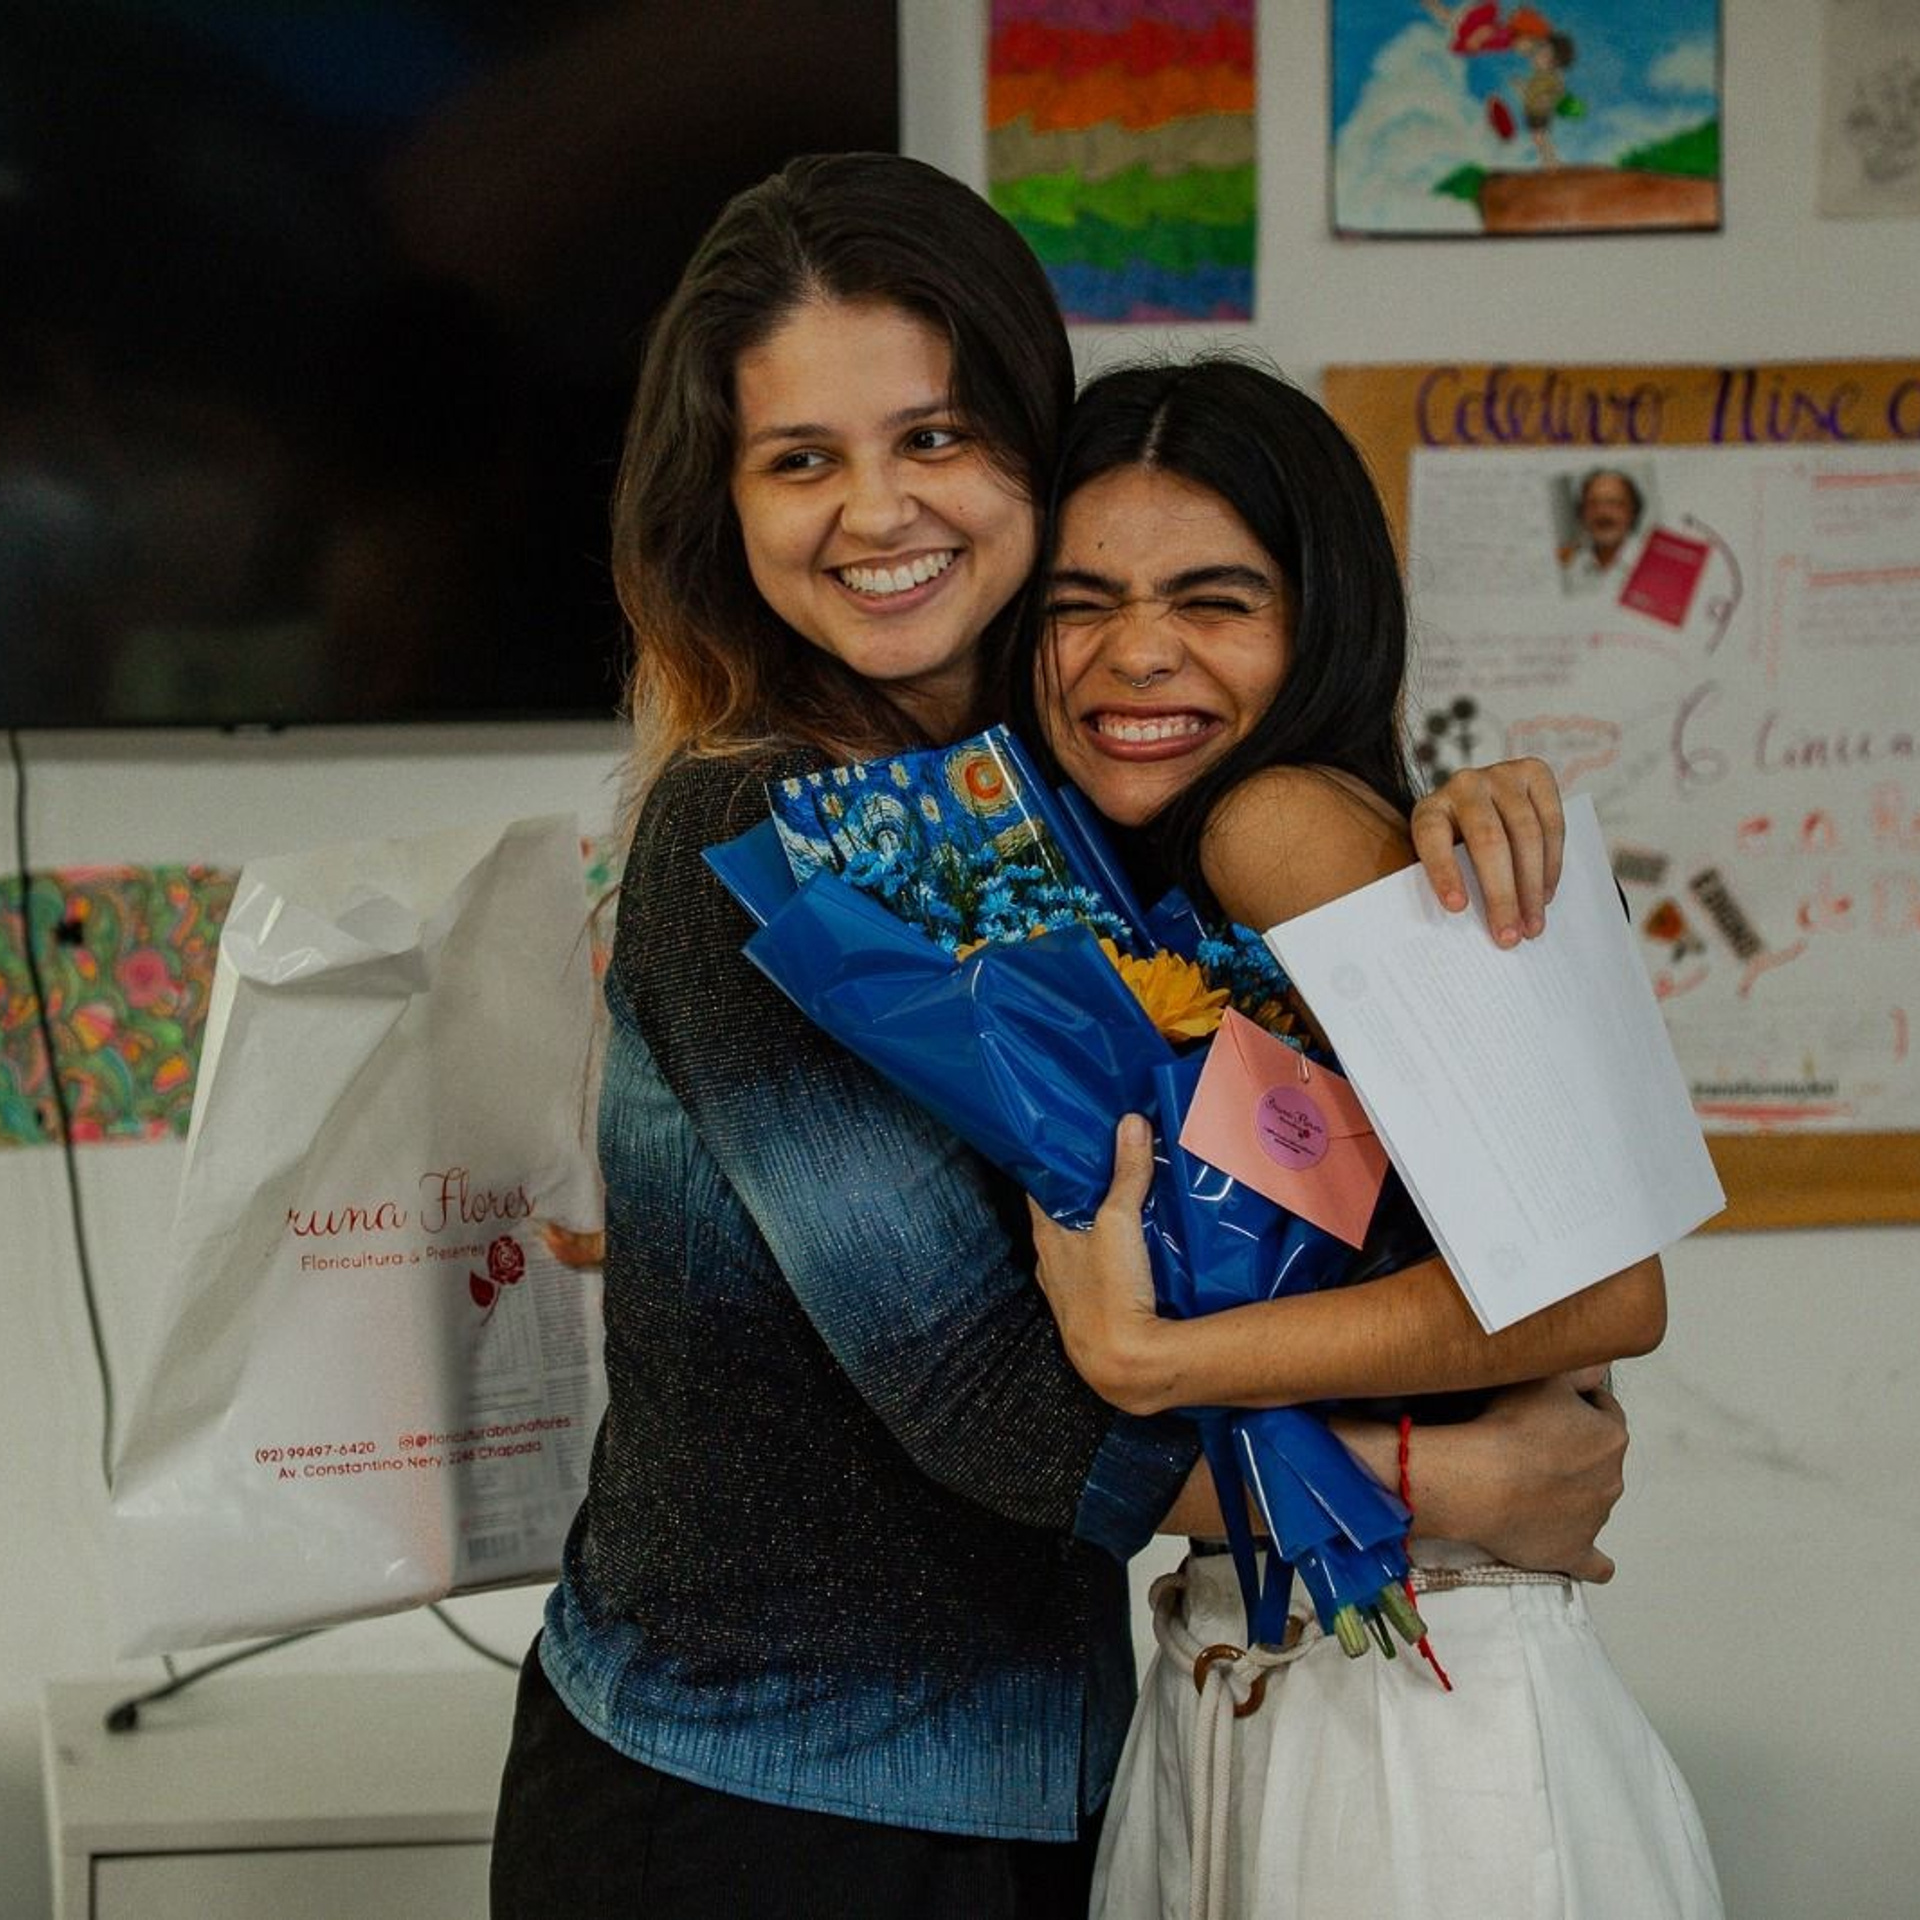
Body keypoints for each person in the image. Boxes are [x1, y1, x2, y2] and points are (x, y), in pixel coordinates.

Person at [490, 153, 1631, 1920]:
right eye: (804, 459)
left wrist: (1441, 831)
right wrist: (1457, 1482)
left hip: (1039, 1768)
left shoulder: (1044, 811)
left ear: (1032, 451)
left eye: (936, 438)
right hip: (762, 1802)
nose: (879, 510)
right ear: (721, 507)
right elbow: (984, 1404)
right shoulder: (763, 825)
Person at [1020, 358, 1723, 1919]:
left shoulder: (1272, 824)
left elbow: (1604, 1296)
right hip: (1278, 1677)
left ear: (1319, 615)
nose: (1135, 652)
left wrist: (1162, 1367)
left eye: (1215, 599)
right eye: (1080, 602)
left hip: (1415, 1720)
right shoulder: (1145, 885)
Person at [1560, 465, 1646, 594]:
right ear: (1582, 513)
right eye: (1593, 504)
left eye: (1614, 503)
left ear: (1633, 512)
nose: (1603, 513)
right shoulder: (1567, 569)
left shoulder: (1653, 563)